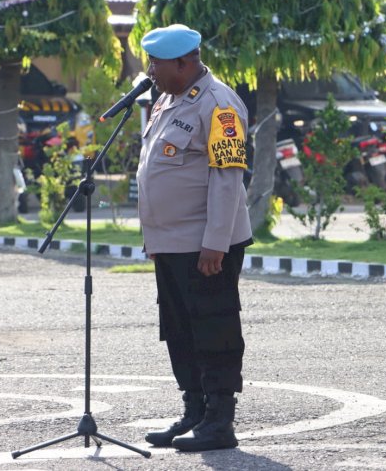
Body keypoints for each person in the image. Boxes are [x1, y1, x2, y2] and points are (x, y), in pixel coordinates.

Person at [135, 24, 252, 452]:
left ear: (183, 63)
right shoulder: (168, 99)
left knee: (213, 328)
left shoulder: (219, 106)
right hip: (171, 243)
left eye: (156, 63)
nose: (150, 70)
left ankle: (219, 421)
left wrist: (215, 243)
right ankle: (194, 411)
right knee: (180, 330)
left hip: (205, 245)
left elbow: (227, 176)